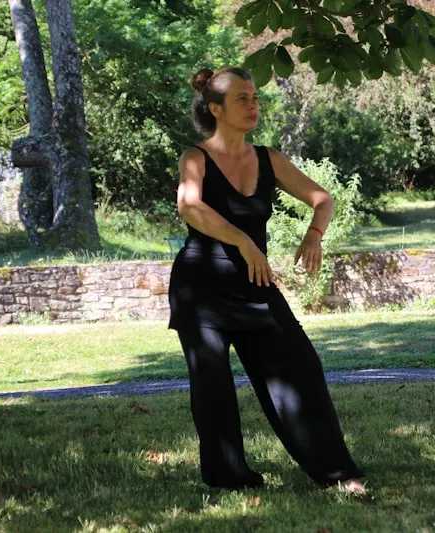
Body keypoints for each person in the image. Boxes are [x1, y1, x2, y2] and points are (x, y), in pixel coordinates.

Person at [168, 66, 365, 494]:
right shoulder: (195, 158)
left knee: (301, 370)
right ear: (215, 108)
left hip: (255, 285)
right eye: (242, 98)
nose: (253, 105)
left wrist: (314, 234)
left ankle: (336, 473)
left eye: (255, 97)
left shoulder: (268, 159)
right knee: (213, 387)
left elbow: (323, 199)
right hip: (200, 287)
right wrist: (242, 240)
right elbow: (190, 206)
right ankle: (229, 479)